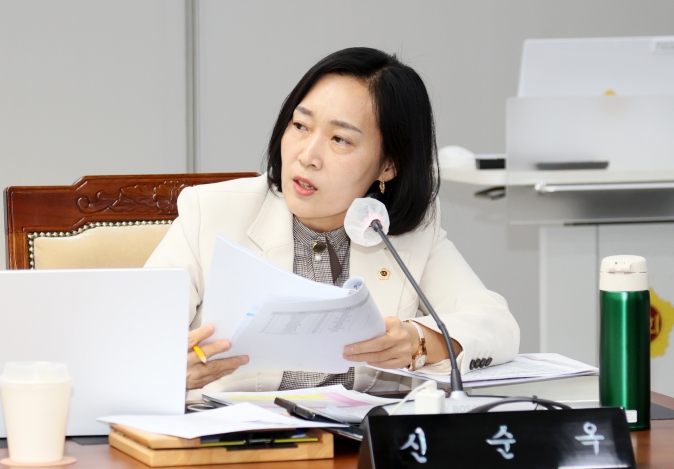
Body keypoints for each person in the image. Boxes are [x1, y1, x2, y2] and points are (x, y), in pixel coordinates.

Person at [145, 47, 519, 394]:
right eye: (300, 126)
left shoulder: (404, 233)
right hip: (235, 438)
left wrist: (418, 341)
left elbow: (498, 326)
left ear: (388, 165)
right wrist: (167, 371)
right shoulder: (211, 212)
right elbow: (133, 339)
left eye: (340, 139)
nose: (307, 156)